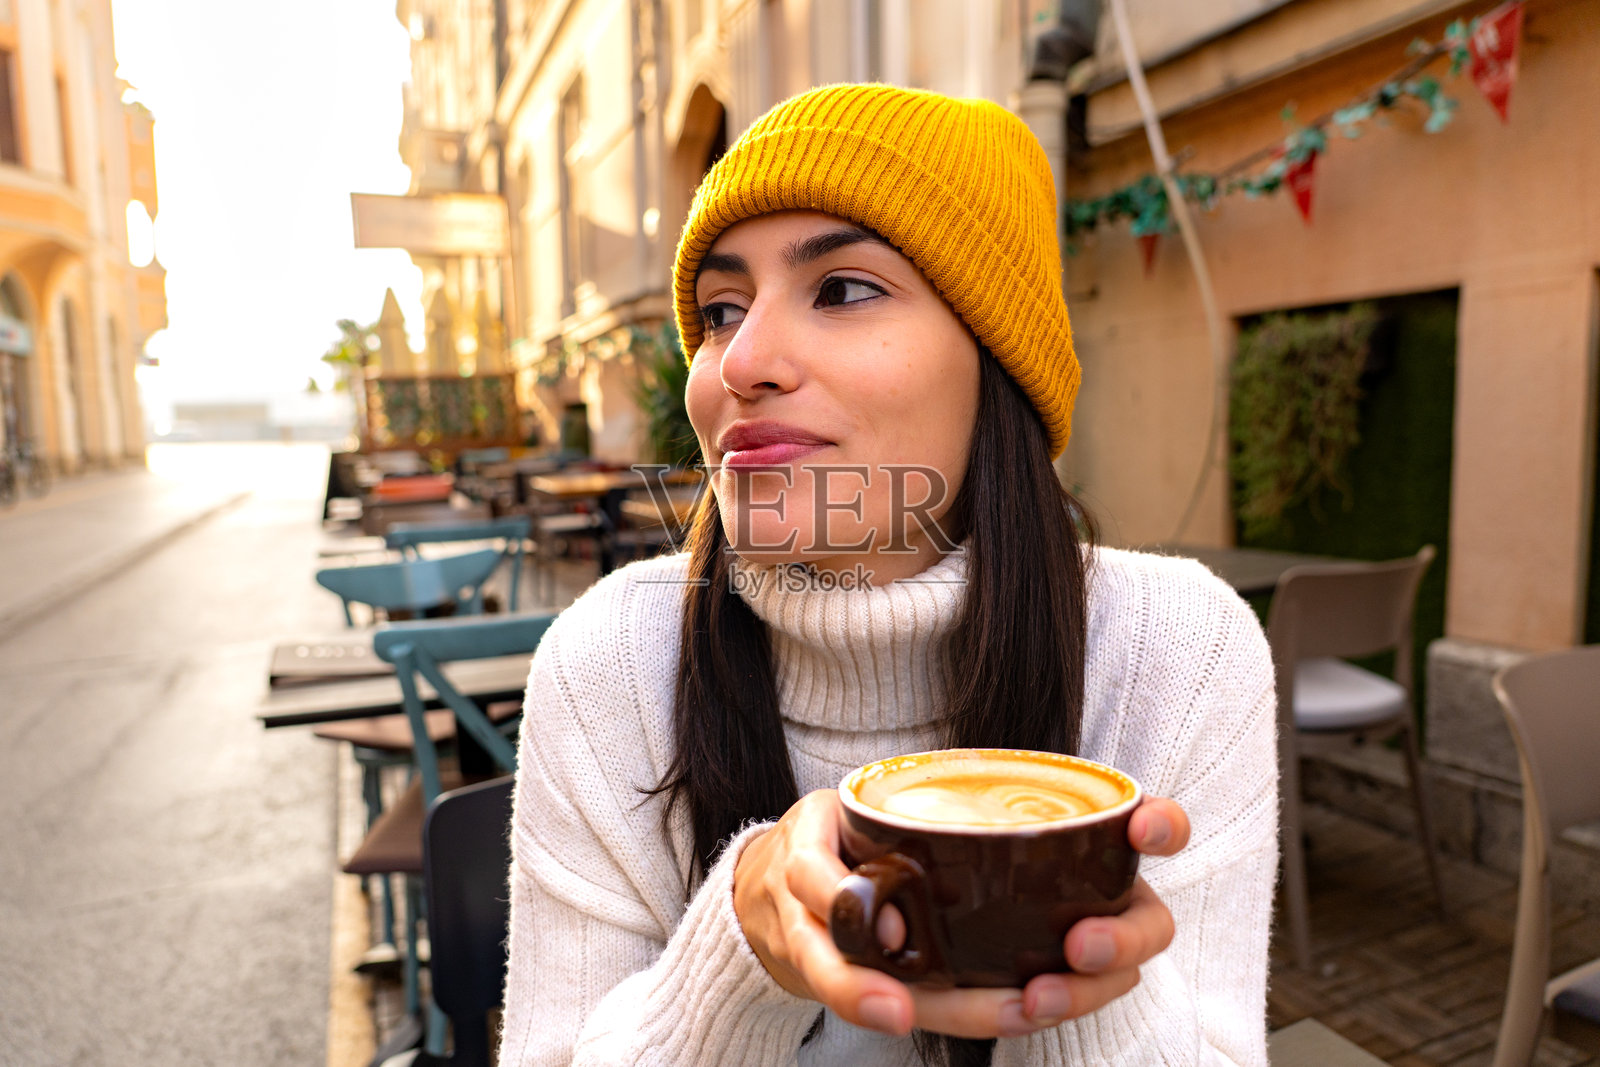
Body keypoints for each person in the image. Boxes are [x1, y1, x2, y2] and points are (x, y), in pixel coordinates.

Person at [498, 84, 1277, 1067]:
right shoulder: (608, 656)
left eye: (843, 288)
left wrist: (1078, 963)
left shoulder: (1177, 645)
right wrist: (744, 943)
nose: (742, 361)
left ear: (997, 363)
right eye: (719, 309)